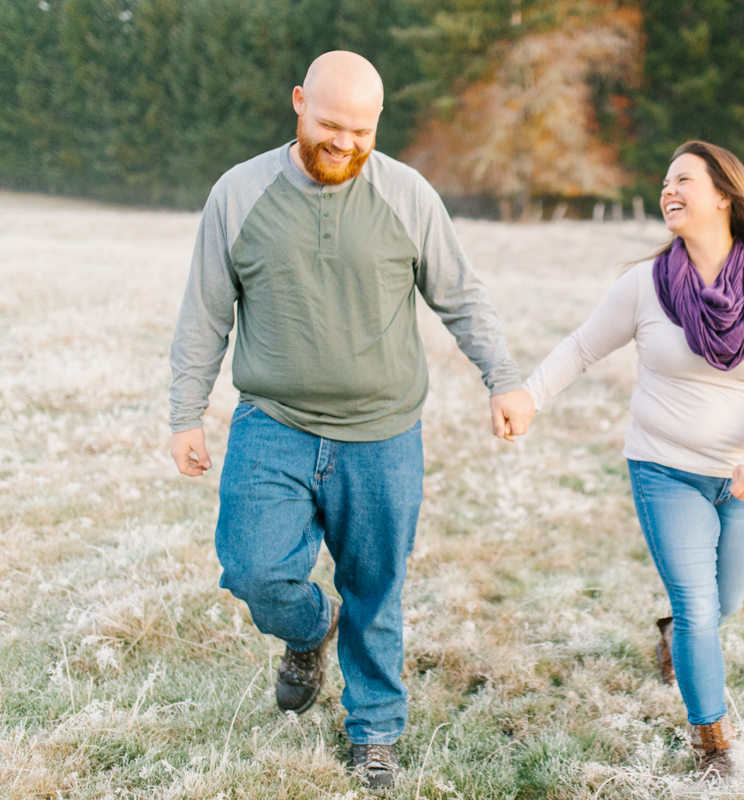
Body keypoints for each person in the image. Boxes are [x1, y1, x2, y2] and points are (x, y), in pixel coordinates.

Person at [167, 51, 534, 788]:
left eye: (361, 131)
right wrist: (185, 413)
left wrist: (505, 380)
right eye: (330, 124)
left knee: (376, 588)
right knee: (254, 570)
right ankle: (308, 630)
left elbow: (461, 295)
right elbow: (205, 311)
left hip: (383, 435)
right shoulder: (239, 194)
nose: (344, 143)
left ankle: (374, 731)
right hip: (274, 425)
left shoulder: (407, 194)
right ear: (299, 103)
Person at [520, 141, 744, 780]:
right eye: (664, 181)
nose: (667, 190)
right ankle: (715, 747)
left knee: (721, 603)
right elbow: (581, 347)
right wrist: (529, 395)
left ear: (724, 195)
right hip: (663, 470)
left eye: (683, 179)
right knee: (700, 607)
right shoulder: (646, 284)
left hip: (741, 479)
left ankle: (672, 633)